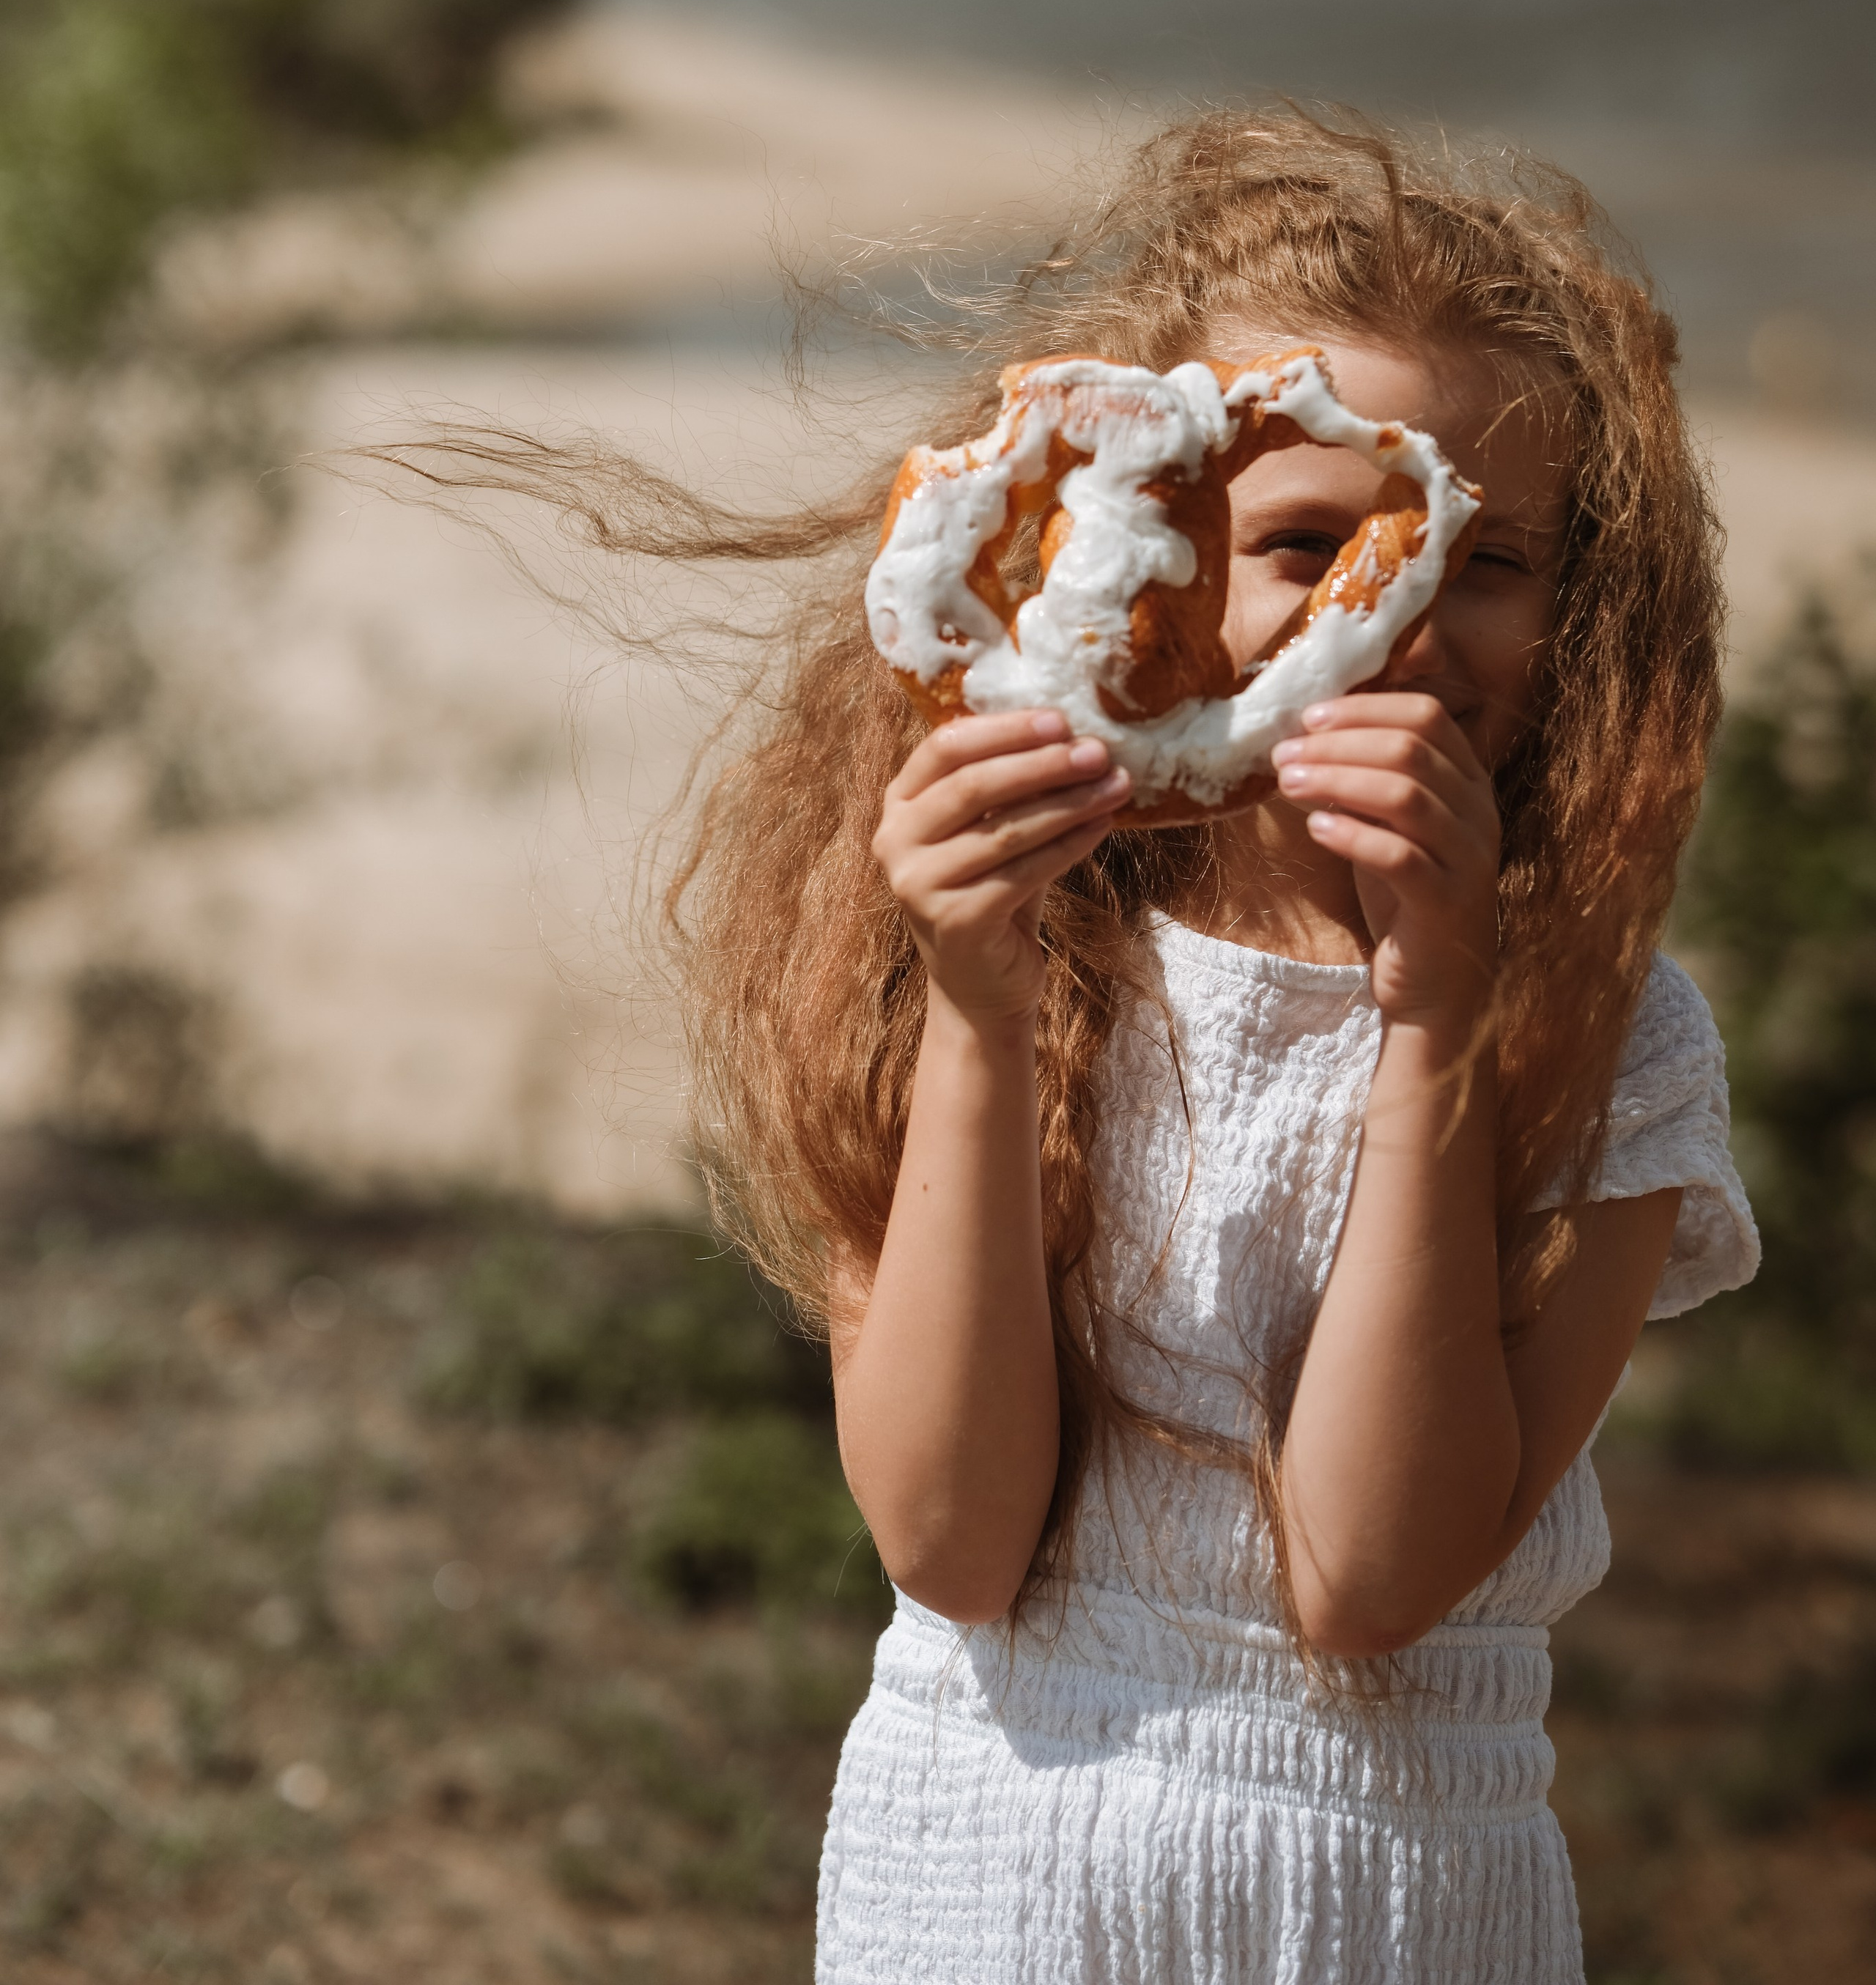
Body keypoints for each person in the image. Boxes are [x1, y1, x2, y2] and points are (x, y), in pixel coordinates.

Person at [486, 111, 1759, 1983]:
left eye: (1481, 564)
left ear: (1574, 623)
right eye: (1310, 541)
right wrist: (979, 1016)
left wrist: (1435, 1028)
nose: (1389, 618)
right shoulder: (1015, 958)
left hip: (1393, 1901)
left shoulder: (1604, 1042)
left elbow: (1371, 1587)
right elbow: (948, 1541)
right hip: (992, 1868)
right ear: (1147, 577)